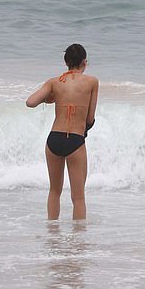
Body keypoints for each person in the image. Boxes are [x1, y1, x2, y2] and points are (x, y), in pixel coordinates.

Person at [26, 44, 99, 220]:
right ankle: (78, 244)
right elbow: (90, 119)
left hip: (54, 140)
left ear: (66, 62)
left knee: (54, 191)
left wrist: (50, 98)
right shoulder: (92, 82)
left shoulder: (54, 82)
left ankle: (52, 238)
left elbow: (30, 102)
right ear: (85, 62)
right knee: (78, 197)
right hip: (75, 140)